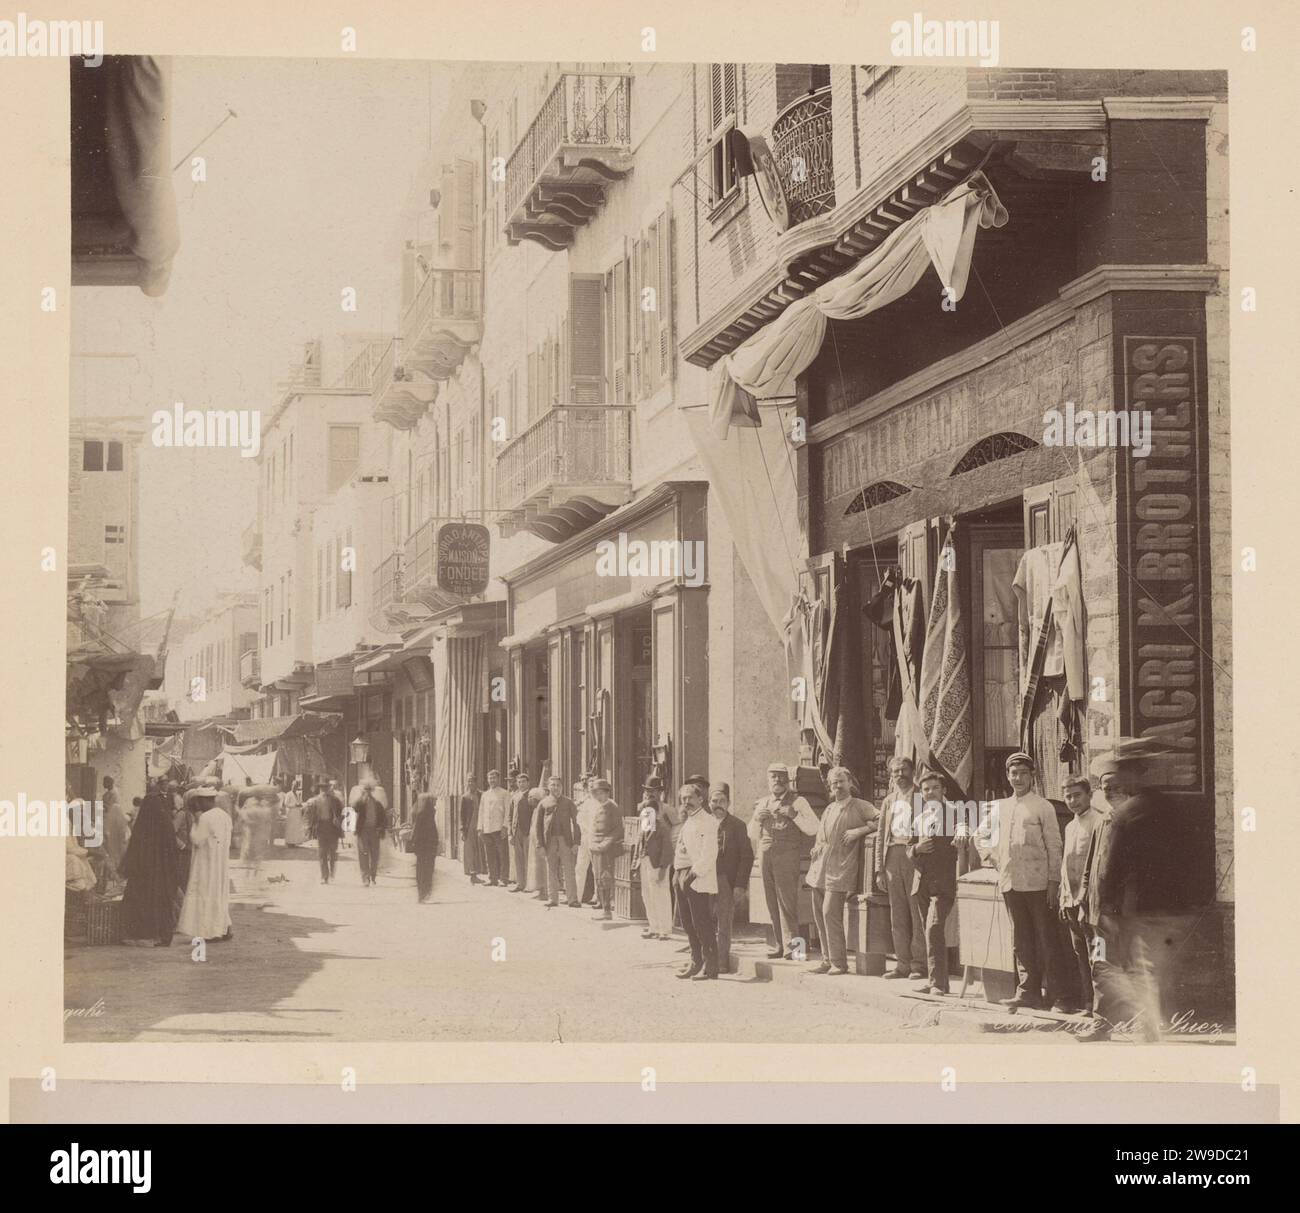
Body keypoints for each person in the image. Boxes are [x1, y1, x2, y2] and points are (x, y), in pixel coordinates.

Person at [1079, 741, 1196, 1042]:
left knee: (1136, 969)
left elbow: (1115, 867)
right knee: (1104, 965)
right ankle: (1107, 1022)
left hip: (1126, 913)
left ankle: (1147, 1025)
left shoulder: (1129, 815)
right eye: (1105, 786)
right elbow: (1092, 866)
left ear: (1129, 782)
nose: (1110, 791)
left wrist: (1108, 908)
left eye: (1116, 784)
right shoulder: (1100, 821)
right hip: (1104, 914)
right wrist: (1084, 900)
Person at [975, 751, 1065, 1011]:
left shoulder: (1042, 806)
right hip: (1010, 883)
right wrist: (992, 857)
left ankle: (1057, 995)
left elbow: (1054, 846)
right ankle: (1028, 992)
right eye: (1014, 773)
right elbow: (980, 836)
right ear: (1007, 775)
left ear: (1032, 776)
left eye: (1023, 773)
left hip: (1038, 885)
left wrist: (1053, 883)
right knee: (1021, 941)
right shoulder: (1000, 807)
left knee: (1047, 939)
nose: (1018, 778)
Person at [807, 766, 877, 976]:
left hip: (842, 867)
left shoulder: (860, 806)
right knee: (819, 914)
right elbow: (821, 835)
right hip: (820, 867)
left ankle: (839, 962)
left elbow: (883, 819)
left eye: (841, 781)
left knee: (831, 913)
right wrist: (817, 846)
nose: (837, 786)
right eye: (833, 782)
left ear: (850, 783)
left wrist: (861, 830)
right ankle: (827, 959)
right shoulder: (829, 808)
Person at [749, 762, 818, 960]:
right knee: (771, 902)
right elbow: (751, 834)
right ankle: (780, 945)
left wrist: (794, 815)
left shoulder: (798, 801)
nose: (777, 780)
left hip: (788, 855)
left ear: (788, 780)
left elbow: (814, 828)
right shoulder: (762, 803)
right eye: (773, 776)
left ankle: (797, 950)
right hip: (765, 854)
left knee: (788, 903)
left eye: (781, 776)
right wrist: (757, 820)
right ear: (768, 780)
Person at [1058, 773, 1107, 1017]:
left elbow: (1094, 866)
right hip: (1070, 902)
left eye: (1077, 795)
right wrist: (1064, 895)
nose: (1073, 801)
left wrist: (1085, 899)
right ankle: (1088, 1004)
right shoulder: (1069, 826)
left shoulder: (1099, 822)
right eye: (1068, 797)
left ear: (1089, 795)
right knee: (1080, 956)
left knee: (1097, 955)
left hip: (1090, 903)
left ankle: (1102, 1008)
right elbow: (1067, 863)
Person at [874, 755, 926, 981]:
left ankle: (919, 965)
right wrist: (879, 869)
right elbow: (880, 836)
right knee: (898, 914)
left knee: (916, 912)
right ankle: (902, 964)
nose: (899, 775)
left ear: (912, 772)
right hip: (892, 857)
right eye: (895, 772)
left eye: (903, 770)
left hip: (914, 857)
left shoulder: (922, 796)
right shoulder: (888, 801)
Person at [908, 768, 957, 995]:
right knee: (928, 932)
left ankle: (937, 983)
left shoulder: (955, 813)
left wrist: (963, 834)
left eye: (935, 788)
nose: (931, 792)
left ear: (944, 790)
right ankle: (936, 981)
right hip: (922, 883)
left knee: (934, 928)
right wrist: (916, 849)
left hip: (944, 882)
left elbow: (965, 831)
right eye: (926, 789)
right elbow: (908, 849)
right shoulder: (919, 818)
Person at [119, 790, 181, 947]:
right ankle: (163, 935)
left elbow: (134, 852)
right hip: (163, 875)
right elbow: (173, 850)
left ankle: (143, 934)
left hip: (143, 876)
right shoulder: (166, 823)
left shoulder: (143, 825)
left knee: (140, 902)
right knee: (163, 903)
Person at [673, 783, 720, 980]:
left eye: (690, 798)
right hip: (681, 874)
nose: (686, 802)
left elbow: (710, 853)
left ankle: (710, 967)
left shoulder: (708, 821)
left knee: (701, 922)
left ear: (701, 799)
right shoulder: (689, 820)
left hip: (696, 877)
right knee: (687, 923)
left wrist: (692, 875)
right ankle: (696, 961)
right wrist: (677, 876)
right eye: (683, 799)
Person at [176, 789, 233, 943]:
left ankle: (210, 931)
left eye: (200, 802)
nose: (199, 805)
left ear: (205, 800)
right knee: (218, 896)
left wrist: (195, 822)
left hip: (206, 864)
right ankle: (224, 928)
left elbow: (196, 839)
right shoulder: (225, 816)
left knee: (205, 895)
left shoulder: (205, 818)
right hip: (220, 863)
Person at [711, 783, 753, 974]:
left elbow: (747, 857)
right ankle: (704, 959)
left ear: (728, 803)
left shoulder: (738, 826)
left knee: (724, 922)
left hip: (725, 881)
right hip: (703, 880)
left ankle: (721, 962)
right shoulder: (703, 823)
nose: (717, 804)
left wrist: (740, 885)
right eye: (714, 801)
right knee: (702, 920)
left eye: (721, 801)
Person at [634, 775, 673, 940]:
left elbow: (668, 848)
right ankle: (654, 926)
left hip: (658, 863)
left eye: (653, 791)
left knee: (661, 894)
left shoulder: (663, 825)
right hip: (646, 862)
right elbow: (639, 843)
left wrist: (664, 867)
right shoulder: (644, 824)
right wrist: (635, 863)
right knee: (647, 894)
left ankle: (665, 928)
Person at [535, 774, 581, 909]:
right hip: (550, 841)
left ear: (562, 787)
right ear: (548, 787)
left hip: (566, 840)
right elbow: (538, 826)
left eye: (558, 785)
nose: (556, 788)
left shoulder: (568, 802)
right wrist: (540, 845)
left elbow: (577, 823)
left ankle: (572, 899)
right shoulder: (543, 803)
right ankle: (553, 898)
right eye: (553, 785)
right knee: (551, 869)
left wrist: (576, 842)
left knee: (569, 869)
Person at [586, 778, 624, 920]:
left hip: (606, 849)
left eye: (600, 793)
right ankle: (604, 908)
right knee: (599, 878)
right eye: (595, 793)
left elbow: (618, 829)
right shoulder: (597, 806)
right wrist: (593, 844)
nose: (597, 795)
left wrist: (606, 844)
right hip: (595, 847)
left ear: (606, 793)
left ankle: (607, 911)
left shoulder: (613, 808)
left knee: (605, 878)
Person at [477, 769, 512, 887]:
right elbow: (481, 811)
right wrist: (479, 828)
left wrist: (505, 827)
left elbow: (508, 811)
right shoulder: (485, 795)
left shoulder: (504, 793)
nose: (492, 780)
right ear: (487, 780)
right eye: (490, 778)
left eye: (494, 778)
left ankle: (504, 878)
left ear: (498, 779)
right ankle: (492, 878)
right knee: (489, 854)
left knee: (502, 854)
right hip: (486, 828)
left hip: (499, 828)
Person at [353, 781, 389, 888]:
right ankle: (365, 878)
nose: (367, 793)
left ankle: (373, 876)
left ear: (372, 792)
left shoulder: (377, 804)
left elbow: (383, 819)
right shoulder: (361, 803)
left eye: (369, 790)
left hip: (374, 831)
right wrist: (361, 797)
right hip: (363, 831)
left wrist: (380, 828)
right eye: (365, 791)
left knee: (374, 855)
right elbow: (354, 807)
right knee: (363, 854)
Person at [309, 781, 344, 884]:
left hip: (332, 828)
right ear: (319, 789)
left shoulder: (335, 800)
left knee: (332, 853)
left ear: (329, 788)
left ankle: (332, 873)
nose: (324, 790)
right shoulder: (315, 801)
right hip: (321, 828)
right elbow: (310, 815)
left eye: (325, 788)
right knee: (322, 853)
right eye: (322, 788)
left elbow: (342, 813)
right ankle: (325, 876)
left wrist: (338, 819)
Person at [100, 775, 130, 888]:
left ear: (109, 783)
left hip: (112, 821)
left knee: (113, 846)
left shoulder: (114, 793)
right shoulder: (107, 793)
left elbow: (112, 808)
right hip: (107, 820)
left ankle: (114, 873)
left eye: (105, 782)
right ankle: (110, 874)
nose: (103, 784)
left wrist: (103, 806)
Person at [507, 771, 535, 892]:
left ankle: (529, 884)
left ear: (528, 783)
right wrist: (510, 832)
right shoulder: (514, 796)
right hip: (516, 830)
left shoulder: (531, 796)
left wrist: (532, 831)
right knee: (517, 859)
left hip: (527, 831)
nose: (521, 784)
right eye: (519, 782)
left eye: (523, 782)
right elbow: (510, 815)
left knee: (528, 858)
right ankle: (520, 883)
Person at [410, 791, 440, 903]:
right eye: (434, 801)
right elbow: (417, 831)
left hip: (425, 847)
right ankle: (424, 893)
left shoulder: (427, 813)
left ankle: (423, 893)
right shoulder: (424, 814)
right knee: (426, 870)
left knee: (423, 870)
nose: (435, 803)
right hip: (425, 847)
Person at [573, 777, 598, 906]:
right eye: (589, 787)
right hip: (584, 837)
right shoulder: (584, 803)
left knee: (596, 868)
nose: (591, 789)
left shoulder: (601, 803)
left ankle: (597, 897)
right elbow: (579, 820)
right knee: (580, 867)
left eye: (594, 787)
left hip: (597, 838)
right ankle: (576, 896)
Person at [460, 775, 485, 885]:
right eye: (468, 781)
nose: (470, 783)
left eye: (472, 781)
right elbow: (462, 815)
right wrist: (462, 830)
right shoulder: (465, 797)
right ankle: (472, 874)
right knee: (470, 850)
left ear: (476, 782)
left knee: (479, 849)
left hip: (481, 825)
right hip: (469, 826)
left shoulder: (481, 795)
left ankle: (480, 871)